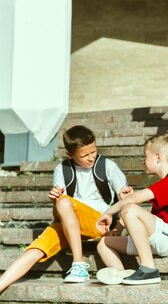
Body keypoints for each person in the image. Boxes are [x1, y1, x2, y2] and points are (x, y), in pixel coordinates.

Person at [0, 125, 130, 293]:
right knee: (37, 247)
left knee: (63, 202)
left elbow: (126, 200)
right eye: (85, 155)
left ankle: (79, 263)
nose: (91, 158)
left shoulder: (108, 166)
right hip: (70, 225)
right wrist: (55, 200)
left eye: (93, 152)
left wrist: (119, 222)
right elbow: (59, 213)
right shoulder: (62, 170)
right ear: (70, 155)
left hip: (99, 222)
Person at [95, 133, 168, 285]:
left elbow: (133, 203)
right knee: (104, 243)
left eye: (145, 156)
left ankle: (148, 269)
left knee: (130, 208)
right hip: (162, 238)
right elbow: (144, 217)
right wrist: (118, 227)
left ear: (158, 157)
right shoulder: (167, 184)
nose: (143, 161)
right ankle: (122, 275)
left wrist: (108, 213)